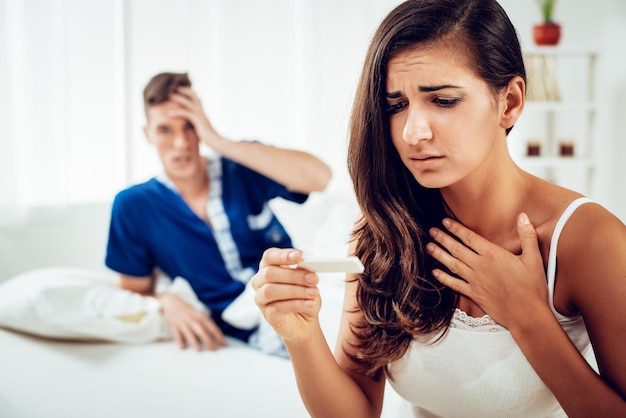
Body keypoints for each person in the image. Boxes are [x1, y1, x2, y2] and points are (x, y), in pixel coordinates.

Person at [251, 0, 626, 416]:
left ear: (510, 102)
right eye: (396, 105)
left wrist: (529, 318)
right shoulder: (384, 230)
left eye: (443, 100)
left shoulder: (590, 240)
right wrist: (301, 337)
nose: (413, 132)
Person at [105, 72, 331, 354]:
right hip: (253, 324)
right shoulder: (134, 206)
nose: (181, 143)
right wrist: (166, 301)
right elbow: (134, 290)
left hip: (305, 293)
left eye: (189, 126)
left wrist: (216, 139)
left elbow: (320, 177)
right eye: (165, 130)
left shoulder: (241, 166)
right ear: (147, 134)